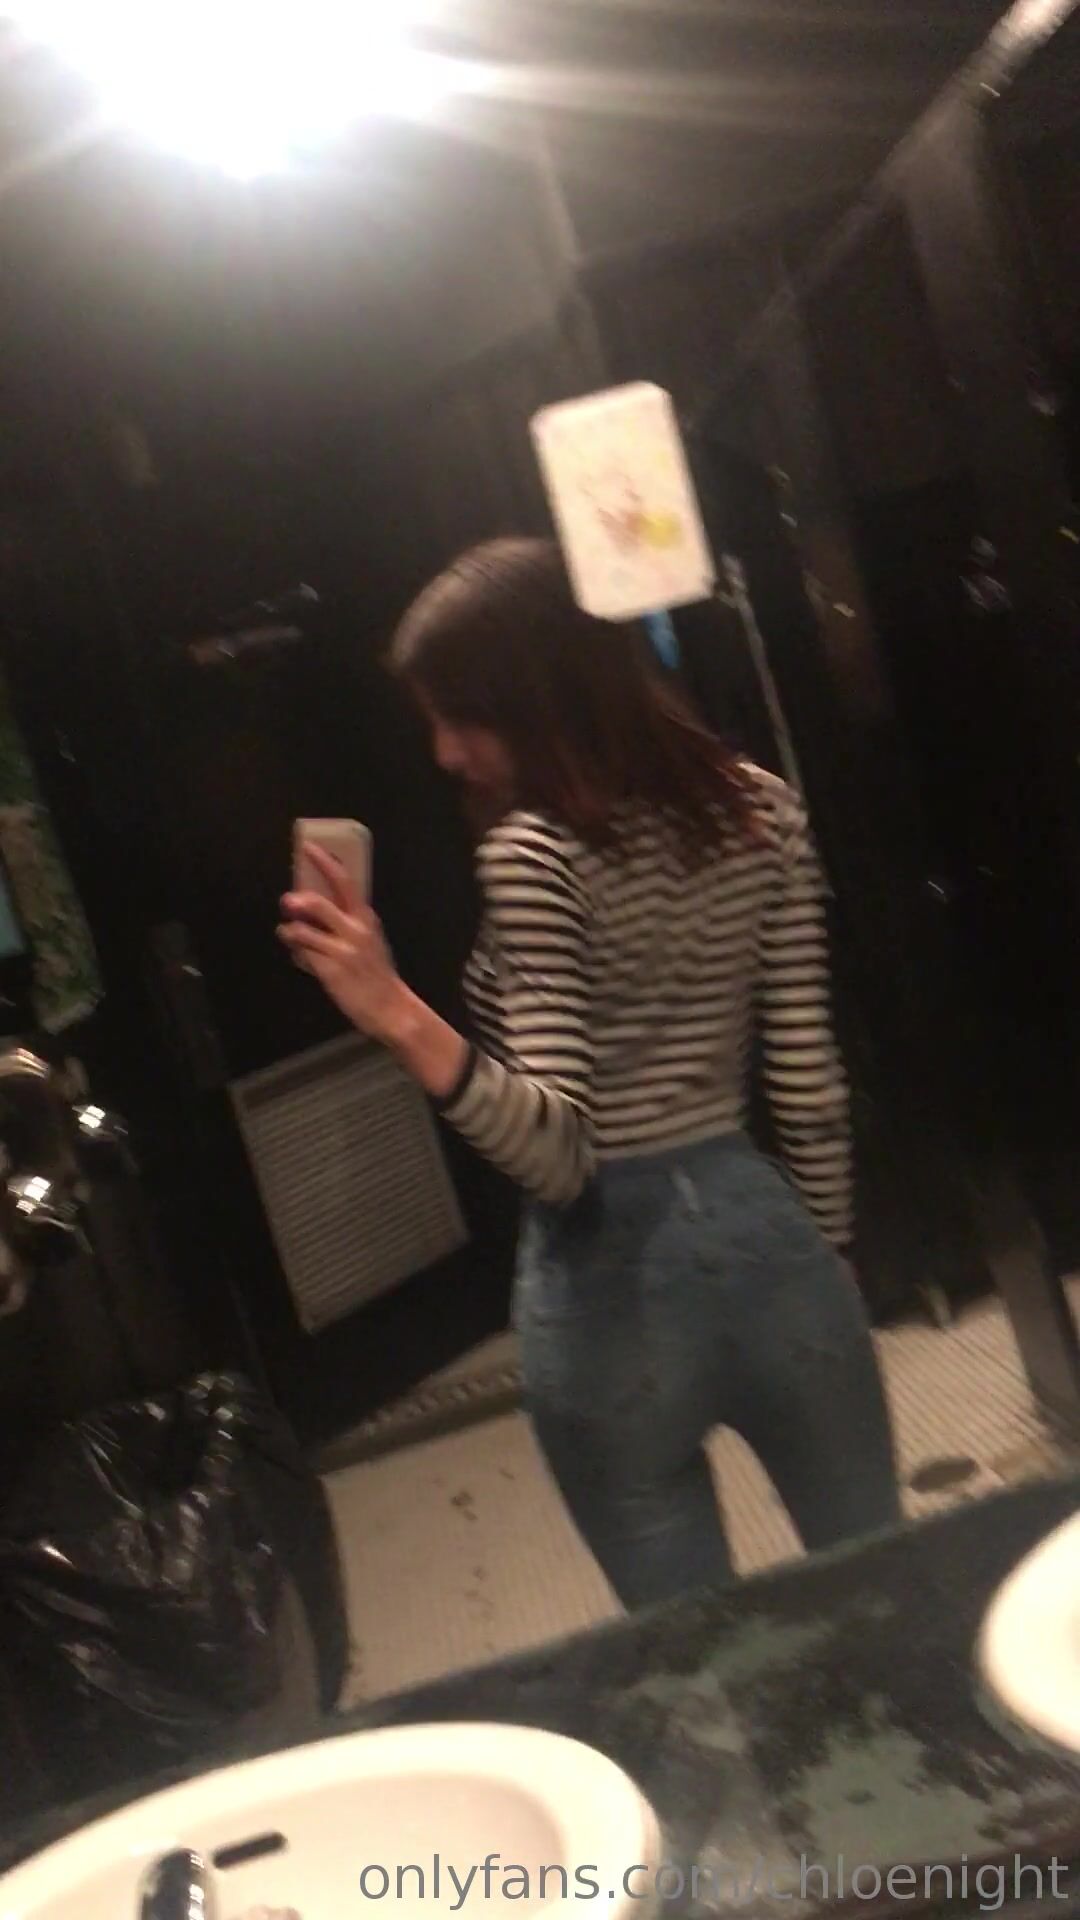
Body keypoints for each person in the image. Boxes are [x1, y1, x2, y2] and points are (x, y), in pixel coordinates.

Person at [279, 537, 900, 1610]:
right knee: (890, 1591)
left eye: (461, 718)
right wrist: (827, 1249)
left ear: (540, 696)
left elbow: (559, 1156)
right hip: (772, 1248)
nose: (443, 752)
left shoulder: (533, 853)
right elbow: (806, 1075)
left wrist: (389, 1006)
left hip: (612, 1299)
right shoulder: (765, 812)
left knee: (693, 1651)